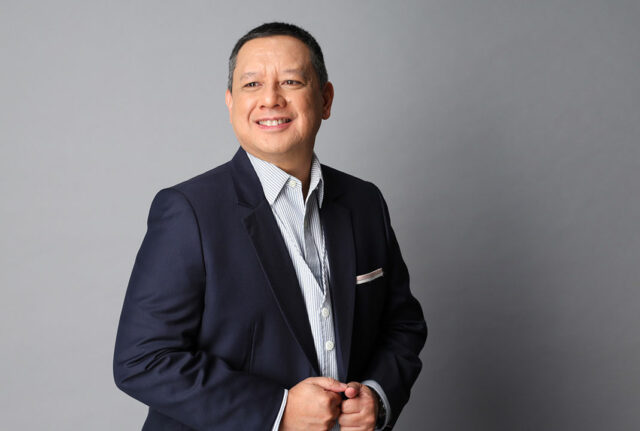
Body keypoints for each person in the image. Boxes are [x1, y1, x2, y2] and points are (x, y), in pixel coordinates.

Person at [114, 22, 427, 431]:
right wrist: (278, 411)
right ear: (230, 103)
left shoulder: (364, 202)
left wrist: (377, 396)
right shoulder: (188, 211)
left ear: (325, 99)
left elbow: (402, 324)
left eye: (291, 81)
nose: (270, 99)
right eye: (252, 85)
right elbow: (142, 359)